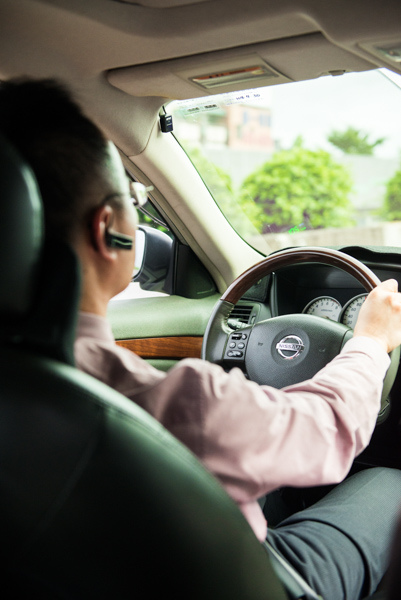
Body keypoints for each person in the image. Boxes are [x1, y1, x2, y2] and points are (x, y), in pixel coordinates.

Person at [1, 77, 401, 600]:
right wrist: (370, 341)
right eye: (135, 196)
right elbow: (328, 430)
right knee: (388, 482)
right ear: (109, 229)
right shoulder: (173, 405)